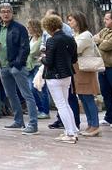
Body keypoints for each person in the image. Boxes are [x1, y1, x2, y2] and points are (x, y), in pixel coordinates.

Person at [0, 3, 39, 134]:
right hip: (3, 66)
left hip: (16, 66)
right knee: (10, 94)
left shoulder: (19, 28)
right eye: (3, 11)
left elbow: (25, 47)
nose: (6, 14)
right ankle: (18, 121)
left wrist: (18, 64)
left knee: (26, 95)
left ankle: (33, 124)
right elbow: (0, 44)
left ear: (12, 13)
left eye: (8, 11)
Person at [42, 14, 79, 143]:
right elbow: (74, 59)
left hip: (54, 76)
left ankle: (70, 134)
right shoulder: (70, 39)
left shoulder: (51, 40)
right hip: (67, 74)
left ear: (48, 27)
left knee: (61, 105)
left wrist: (42, 58)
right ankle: (72, 130)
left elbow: (49, 62)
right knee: (66, 103)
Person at [67, 11, 101, 137]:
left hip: (85, 68)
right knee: (82, 97)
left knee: (88, 97)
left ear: (78, 20)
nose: (69, 22)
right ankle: (90, 124)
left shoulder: (86, 35)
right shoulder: (76, 34)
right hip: (78, 68)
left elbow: (75, 49)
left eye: (71, 20)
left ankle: (95, 125)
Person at [25, 18, 50, 119]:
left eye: (29, 27)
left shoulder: (42, 38)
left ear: (34, 27)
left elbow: (35, 52)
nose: (28, 29)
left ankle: (45, 111)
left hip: (38, 66)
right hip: (30, 66)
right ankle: (40, 109)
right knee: (31, 89)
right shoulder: (30, 38)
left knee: (41, 88)